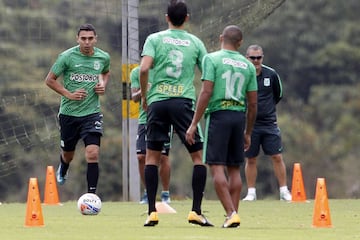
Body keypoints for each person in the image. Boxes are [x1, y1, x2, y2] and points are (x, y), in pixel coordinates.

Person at [139, 0, 212, 227]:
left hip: (158, 102)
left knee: (152, 157)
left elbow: (143, 68)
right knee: (198, 158)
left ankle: (152, 211)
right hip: (183, 103)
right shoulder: (196, 42)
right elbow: (208, 75)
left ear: (166, 17)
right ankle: (196, 212)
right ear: (187, 18)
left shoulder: (154, 39)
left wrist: (144, 96)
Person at [186, 25, 258, 228]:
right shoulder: (248, 65)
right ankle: (232, 216)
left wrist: (193, 123)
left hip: (218, 116)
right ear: (240, 43)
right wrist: (248, 132)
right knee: (235, 168)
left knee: (217, 166)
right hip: (238, 116)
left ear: (221, 38)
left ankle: (230, 212)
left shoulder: (212, 59)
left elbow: (206, 92)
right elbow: (253, 103)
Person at [45, 23, 110, 194]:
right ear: (77, 39)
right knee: (68, 154)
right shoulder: (66, 57)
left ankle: (91, 197)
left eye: (90, 38)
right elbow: (50, 80)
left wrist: (102, 84)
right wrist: (69, 94)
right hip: (69, 114)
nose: (87, 42)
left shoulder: (103, 57)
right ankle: (64, 167)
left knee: (93, 153)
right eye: (83, 39)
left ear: (95, 39)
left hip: (92, 113)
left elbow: (105, 72)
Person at [242, 44, 292, 201]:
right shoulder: (242, 75)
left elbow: (279, 95)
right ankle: (251, 192)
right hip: (250, 124)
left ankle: (284, 191)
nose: (256, 61)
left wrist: (266, 109)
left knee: (277, 156)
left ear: (262, 57)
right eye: (253, 58)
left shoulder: (271, 74)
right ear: (247, 58)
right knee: (251, 158)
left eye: (259, 58)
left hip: (269, 123)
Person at [130, 66, 172, 204]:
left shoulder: (166, 70)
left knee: (163, 157)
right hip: (144, 119)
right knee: (141, 157)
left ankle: (165, 193)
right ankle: (148, 192)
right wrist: (144, 90)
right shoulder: (137, 72)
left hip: (163, 118)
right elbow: (134, 98)